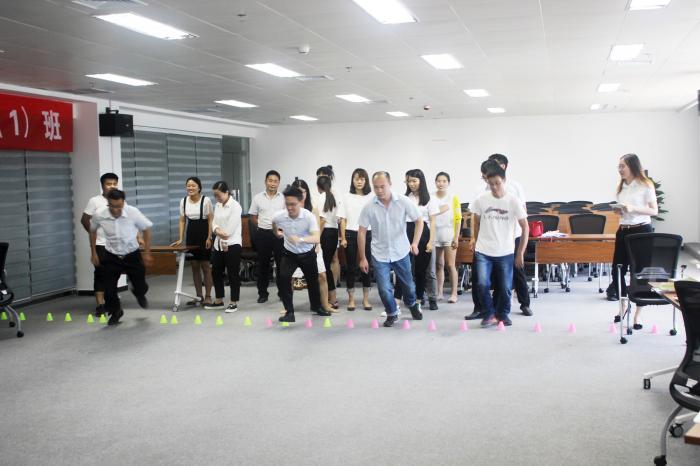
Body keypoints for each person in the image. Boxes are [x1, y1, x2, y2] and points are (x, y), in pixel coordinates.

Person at [465, 155, 533, 320]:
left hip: (509, 241)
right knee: (481, 281)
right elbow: (475, 218)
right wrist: (474, 237)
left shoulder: (514, 191)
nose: (494, 186)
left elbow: (524, 220)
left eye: (498, 183)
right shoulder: (481, 194)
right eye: (490, 182)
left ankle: (517, 307)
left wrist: (520, 252)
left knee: (508, 281)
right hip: (485, 244)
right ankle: (484, 310)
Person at [358, 171, 423, 327]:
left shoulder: (403, 201)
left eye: (383, 186)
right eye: (376, 187)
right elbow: (361, 232)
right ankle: (392, 312)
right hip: (379, 253)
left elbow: (419, 220)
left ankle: (412, 304)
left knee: (408, 286)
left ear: (390, 184)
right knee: (384, 288)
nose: (379, 190)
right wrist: (363, 258)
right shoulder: (369, 206)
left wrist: (415, 243)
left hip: (401, 251)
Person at [607, 153, 658, 329]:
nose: (620, 169)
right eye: (619, 166)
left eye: (623, 166)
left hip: (641, 231)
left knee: (640, 273)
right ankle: (623, 305)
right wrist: (620, 211)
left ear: (632, 166)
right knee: (617, 270)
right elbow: (625, 211)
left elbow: (654, 211)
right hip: (623, 230)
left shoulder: (645, 185)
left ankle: (638, 314)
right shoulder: (621, 187)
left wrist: (633, 208)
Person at [89, 189, 153, 325]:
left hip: (132, 254)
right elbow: (92, 231)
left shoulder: (132, 212)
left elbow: (147, 229)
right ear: (108, 203)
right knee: (108, 288)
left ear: (123, 202)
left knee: (140, 285)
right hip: (111, 255)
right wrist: (93, 252)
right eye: (112, 206)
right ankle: (116, 311)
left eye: (119, 206)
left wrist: (147, 253)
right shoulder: (100, 214)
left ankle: (139, 293)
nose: (116, 210)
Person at [273, 185, 330, 322]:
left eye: (293, 204)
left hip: (307, 254)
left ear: (301, 202)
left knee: (313, 281)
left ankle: (316, 307)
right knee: (283, 278)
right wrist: (277, 233)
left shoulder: (308, 217)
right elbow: (274, 224)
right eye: (287, 204)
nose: (290, 207)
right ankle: (289, 312)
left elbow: (316, 238)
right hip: (289, 254)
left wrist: (300, 239)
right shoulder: (279, 216)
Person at [395, 169, 440, 311]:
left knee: (421, 271)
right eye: (409, 181)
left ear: (421, 181)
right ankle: (396, 302)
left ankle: (419, 300)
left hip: (423, 233)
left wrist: (431, 241)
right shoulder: (405, 198)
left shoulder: (430, 199)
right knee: (403, 268)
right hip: (406, 232)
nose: (411, 184)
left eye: (414, 181)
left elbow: (433, 221)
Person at [290, 178, 334, 314]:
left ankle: (324, 305)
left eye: (303, 191)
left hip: (312, 246)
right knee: (290, 277)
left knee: (322, 276)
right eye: (298, 192)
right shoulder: (289, 209)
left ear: (307, 193)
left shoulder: (312, 209)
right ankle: (287, 307)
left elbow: (316, 229)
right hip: (294, 248)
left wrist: (317, 243)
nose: (301, 194)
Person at [81, 172, 120, 317]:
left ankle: (111, 301)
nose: (112, 186)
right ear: (103, 185)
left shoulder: (120, 200)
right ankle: (100, 305)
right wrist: (93, 233)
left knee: (114, 273)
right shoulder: (95, 201)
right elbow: (84, 219)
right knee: (101, 273)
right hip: (100, 244)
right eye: (109, 184)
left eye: (114, 184)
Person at [172, 177, 213, 306]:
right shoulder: (183, 201)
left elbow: (211, 219)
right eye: (188, 186)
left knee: (205, 266)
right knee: (194, 266)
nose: (190, 188)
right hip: (191, 234)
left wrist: (209, 237)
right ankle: (199, 296)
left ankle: (208, 296)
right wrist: (180, 238)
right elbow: (182, 220)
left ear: (199, 187)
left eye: (193, 185)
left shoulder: (206, 200)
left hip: (204, 233)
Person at [338, 168, 374, 311]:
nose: (359, 181)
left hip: (367, 234)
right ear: (352, 181)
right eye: (356, 179)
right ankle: (351, 299)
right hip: (350, 234)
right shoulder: (346, 197)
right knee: (350, 268)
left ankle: (366, 299)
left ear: (366, 181)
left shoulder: (371, 197)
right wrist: (343, 238)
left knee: (366, 267)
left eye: (362, 179)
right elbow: (342, 219)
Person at [249, 170, 285, 303]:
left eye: (275, 181)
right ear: (265, 182)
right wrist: (260, 225)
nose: (273, 184)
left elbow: (287, 215)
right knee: (263, 264)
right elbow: (253, 216)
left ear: (279, 183)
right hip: (263, 233)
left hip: (279, 234)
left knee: (282, 264)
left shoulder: (283, 198)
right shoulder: (257, 198)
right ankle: (263, 293)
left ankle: (282, 293)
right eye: (270, 180)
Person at [206, 181, 242, 313]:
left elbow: (229, 230)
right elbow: (214, 223)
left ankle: (233, 302)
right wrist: (216, 230)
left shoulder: (235, 206)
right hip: (218, 244)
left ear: (226, 192)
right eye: (215, 195)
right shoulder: (218, 205)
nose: (217, 198)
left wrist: (219, 232)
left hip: (233, 244)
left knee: (233, 273)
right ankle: (219, 299)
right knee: (216, 271)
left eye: (219, 195)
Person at [432, 172, 462, 304]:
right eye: (439, 181)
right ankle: (439, 292)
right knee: (438, 264)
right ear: (435, 182)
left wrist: (456, 237)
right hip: (435, 234)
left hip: (449, 234)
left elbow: (458, 219)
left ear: (448, 183)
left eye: (444, 181)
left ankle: (454, 293)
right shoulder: (431, 197)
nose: (441, 183)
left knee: (450, 264)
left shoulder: (453, 197)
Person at [316, 165, 341, 293]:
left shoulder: (323, 197)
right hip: (333, 232)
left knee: (324, 266)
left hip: (325, 232)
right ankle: (330, 294)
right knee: (326, 264)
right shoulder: (331, 196)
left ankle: (331, 294)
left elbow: (322, 220)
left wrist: (316, 237)